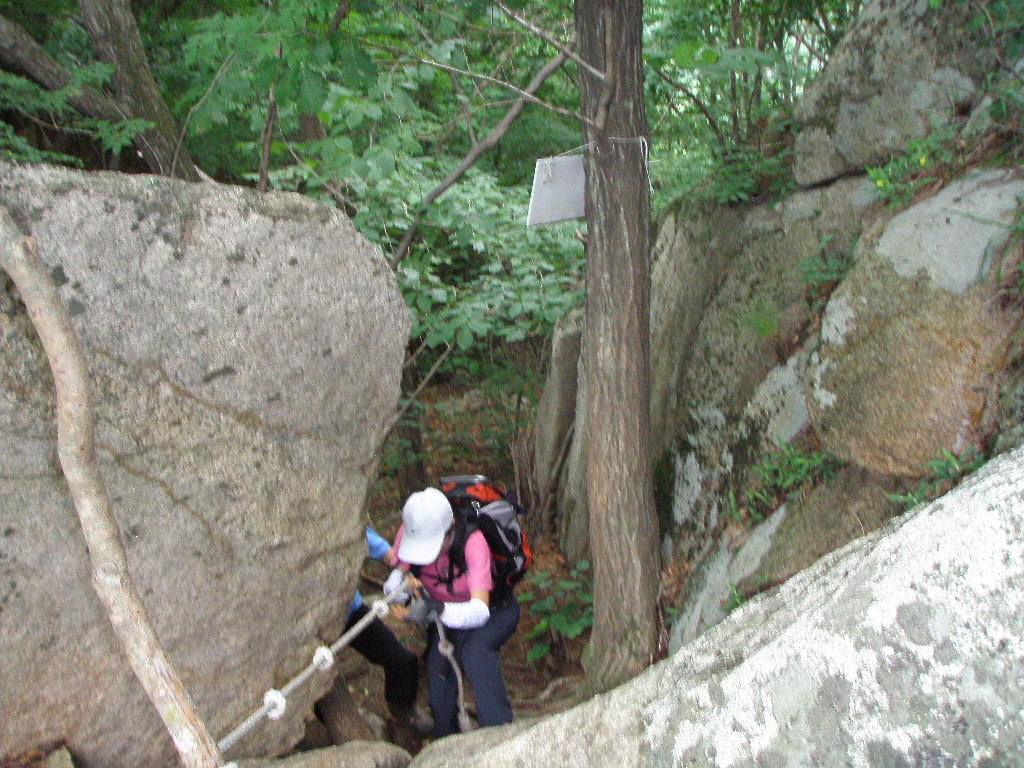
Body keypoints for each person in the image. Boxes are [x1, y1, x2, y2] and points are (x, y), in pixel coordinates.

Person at [383, 488, 520, 738]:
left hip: (494, 612)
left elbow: (479, 610)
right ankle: (447, 741)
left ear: (451, 529)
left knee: (476, 654)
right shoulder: (411, 531)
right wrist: (397, 589)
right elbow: (398, 577)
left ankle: (499, 736)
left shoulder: (472, 542)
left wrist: (438, 609)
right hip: (445, 621)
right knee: (438, 675)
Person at [345, 525, 428, 745]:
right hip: (302, 622)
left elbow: (382, 550)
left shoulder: (340, 524)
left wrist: (404, 575)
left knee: (403, 660)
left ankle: (403, 714)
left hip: (348, 611)